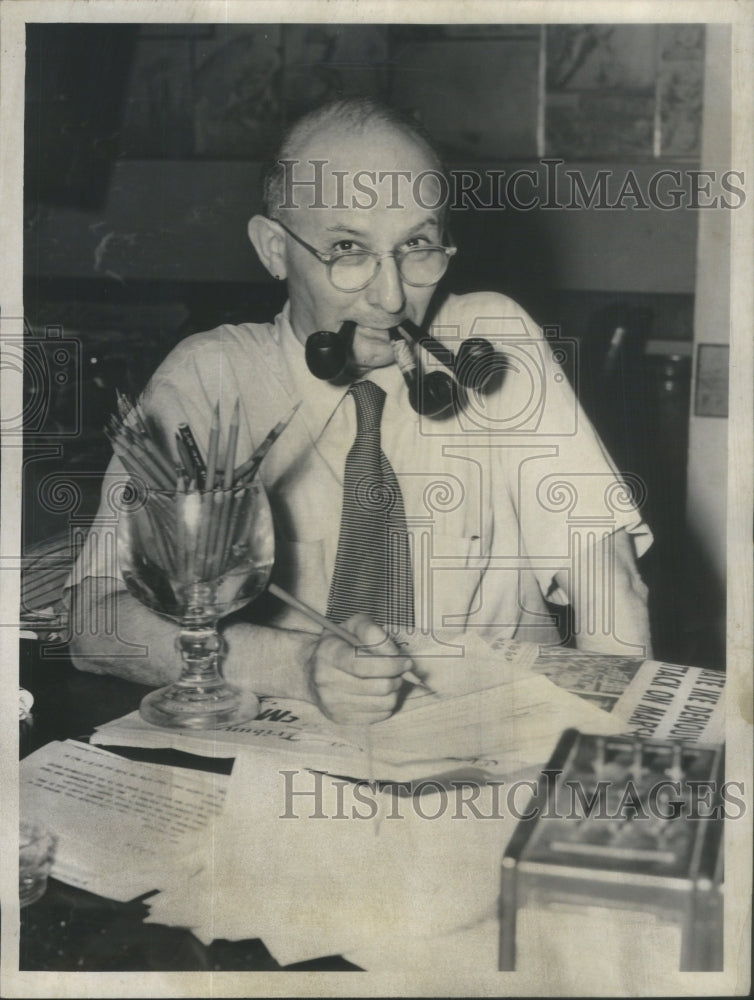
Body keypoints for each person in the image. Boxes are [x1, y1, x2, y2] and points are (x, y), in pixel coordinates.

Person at [68, 97, 652, 724]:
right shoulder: (210, 378)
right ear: (274, 249)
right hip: (296, 746)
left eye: (418, 244)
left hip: (501, 730)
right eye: (348, 248)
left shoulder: (491, 344)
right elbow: (95, 620)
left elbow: (609, 590)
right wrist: (295, 666)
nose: (392, 297)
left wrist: (621, 752)